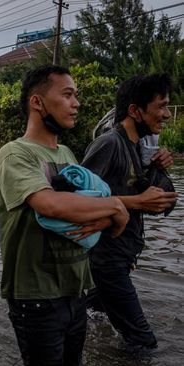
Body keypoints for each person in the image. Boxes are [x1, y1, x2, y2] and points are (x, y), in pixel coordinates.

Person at [0, 65, 130, 365]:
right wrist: (117, 208)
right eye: (67, 94)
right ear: (37, 102)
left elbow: (89, 205)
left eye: (76, 95)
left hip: (75, 288)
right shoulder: (15, 153)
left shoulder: (67, 154)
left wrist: (112, 214)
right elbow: (50, 204)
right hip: (36, 296)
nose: (76, 103)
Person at [81, 74, 178, 353]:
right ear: (135, 110)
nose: (167, 114)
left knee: (89, 315)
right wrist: (136, 201)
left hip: (122, 257)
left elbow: (164, 204)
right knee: (143, 343)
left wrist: (156, 168)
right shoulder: (109, 144)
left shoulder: (139, 148)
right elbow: (76, 200)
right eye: (161, 106)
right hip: (106, 260)